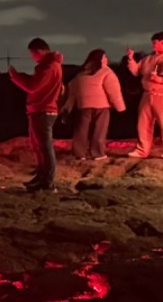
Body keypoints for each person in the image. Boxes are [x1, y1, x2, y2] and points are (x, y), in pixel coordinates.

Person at [9, 38, 64, 192]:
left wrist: (15, 77)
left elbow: (33, 86)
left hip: (44, 111)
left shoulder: (50, 66)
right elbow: (35, 82)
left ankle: (47, 182)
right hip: (39, 110)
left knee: (45, 148)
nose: (33, 57)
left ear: (39, 50)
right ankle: (41, 177)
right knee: (38, 146)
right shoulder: (47, 66)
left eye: (33, 53)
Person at [124, 31, 163, 159]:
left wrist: (161, 80)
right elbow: (136, 71)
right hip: (147, 94)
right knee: (143, 123)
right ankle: (142, 150)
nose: (153, 45)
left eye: (155, 43)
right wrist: (131, 59)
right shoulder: (148, 58)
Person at [61, 48, 125, 161]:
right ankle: (97, 153)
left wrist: (67, 108)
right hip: (102, 106)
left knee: (81, 129)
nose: (106, 59)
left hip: (84, 106)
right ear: (100, 59)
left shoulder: (80, 74)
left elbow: (72, 93)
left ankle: (79, 153)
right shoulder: (106, 72)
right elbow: (113, 91)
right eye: (104, 57)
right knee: (99, 130)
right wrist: (120, 107)